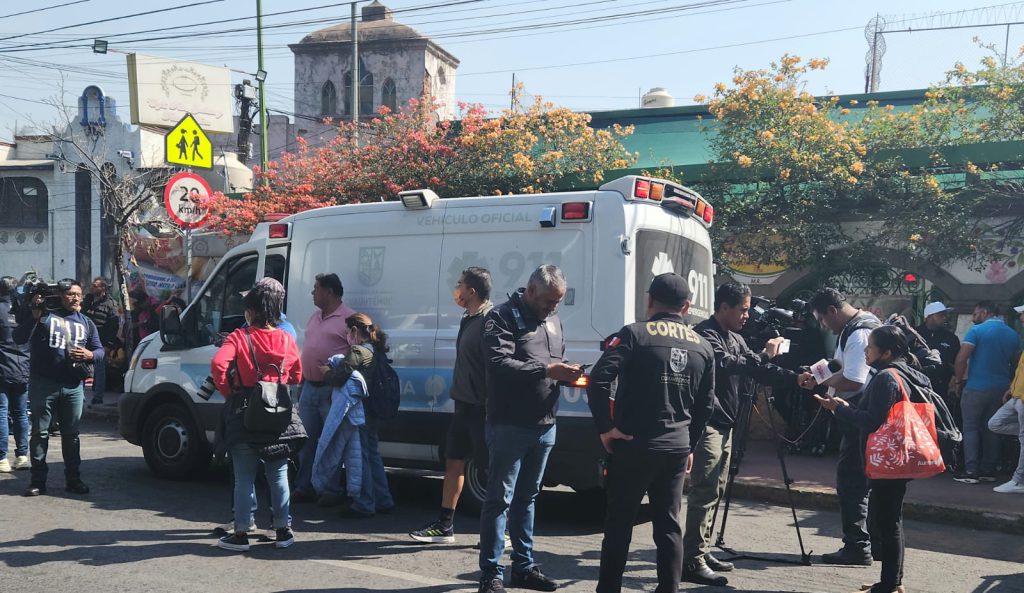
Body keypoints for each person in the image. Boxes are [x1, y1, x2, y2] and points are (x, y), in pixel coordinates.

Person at [586, 273, 715, 593]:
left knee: (619, 524)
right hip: (675, 449)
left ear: (649, 301)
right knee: (669, 526)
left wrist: (606, 428)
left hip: (633, 445)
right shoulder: (703, 346)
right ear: (687, 307)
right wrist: (689, 446)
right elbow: (706, 406)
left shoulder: (634, 334)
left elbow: (598, 379)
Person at [683, 282, 799, 586]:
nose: (747, 315)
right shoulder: (705, 334)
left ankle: (702, 549)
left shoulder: (735, 337)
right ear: (723, 307)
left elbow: (758, 370)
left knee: (716, 489)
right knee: (704, 490)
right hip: (708, 421)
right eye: (742, 309)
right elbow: (726, 364)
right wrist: (763, 354)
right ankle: (691, 561)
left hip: (728, 422)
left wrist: (798, 378)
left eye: (747, 309)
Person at [476, 264, 582, 593]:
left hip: (545, 423)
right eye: (550, 300)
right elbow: (498, 364)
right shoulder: (501, 317)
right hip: (509, 423)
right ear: (531, 290)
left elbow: (553, 363)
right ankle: (490, 574)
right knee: (499, 500)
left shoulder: (552, 320)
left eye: (558, 302)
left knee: (528, 498)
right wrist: (548, 370)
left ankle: (523, 567)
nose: (553, 307)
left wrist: (567, 373)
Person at [814, 326, 930, 593]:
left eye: (871, 347)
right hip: (902, 456)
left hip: (887, 459)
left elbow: (873, 421)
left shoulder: (885, 378)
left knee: (885, 522)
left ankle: (889, 584)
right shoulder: (907, 373)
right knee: (891, 519)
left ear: (886, 352)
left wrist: (840, 409)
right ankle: (892, 581)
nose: (865, 351)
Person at [210, 280, 303, 552]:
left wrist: (229, 391)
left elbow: (218, 365)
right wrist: (280, 383)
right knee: (278, 474)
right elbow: (297, 374)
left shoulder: (240, 337)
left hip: (245, 409)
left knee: (244, 476)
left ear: (250, 311)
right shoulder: (286, 338)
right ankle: (283, 531)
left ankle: (240, 534)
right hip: (279, 412)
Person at [411, 267, 494, 543]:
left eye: (459, 285)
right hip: (463, 405)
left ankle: (499, 530)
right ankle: (445, 526)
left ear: (471, 291)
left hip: (482, 407)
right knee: (453, 461)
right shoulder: (467, 319)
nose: (456, 289)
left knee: (490, 469)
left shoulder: (489, 321)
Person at [798, 287, 879, 566]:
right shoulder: (860, 323)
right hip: (864, 416)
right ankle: (874, 543)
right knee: (865, 482)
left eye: (821, 318)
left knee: (852, 483)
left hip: (858, 416)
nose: (822, 325)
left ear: (832, 310)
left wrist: (822, 382)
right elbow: (840, 365)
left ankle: (858, 547)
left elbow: (855, 381)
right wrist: (819, 373)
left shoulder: (858, 333)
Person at [14, 278, 104, 496]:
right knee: (40, 434)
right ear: (61, 296)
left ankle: (73, 480)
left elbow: (100, 351)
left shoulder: (87, 323)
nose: (74, 298)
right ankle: (38, 482)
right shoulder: (45, 316)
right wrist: (34, 315)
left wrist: (89, 354)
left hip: (73, 386)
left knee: (71, 435)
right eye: (70, 294)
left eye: (78, 294)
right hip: (44, 383)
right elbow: (19, 337)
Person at [293, 272, 357, 505]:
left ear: (329, 292)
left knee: (330, 441)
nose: (312, 293)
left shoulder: (349, 318)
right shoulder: (314, 317)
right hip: (309, 386)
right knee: (305, 440)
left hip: (331, 390)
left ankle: (330, 489)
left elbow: (355, 354)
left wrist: (335, 374)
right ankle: (305, 486)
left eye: (316, 288)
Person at [951, 301, 1020, 484]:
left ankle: (971, 470)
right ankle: (988, 469)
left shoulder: (977, 331)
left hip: (976, 387)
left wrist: (958, 381)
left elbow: (961, 358)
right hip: (1000, 388)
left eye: (975, 314)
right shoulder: (1013, 334)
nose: (974, 318)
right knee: (991, 428)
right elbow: (1015, 363)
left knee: (971, 428)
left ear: (984, 312)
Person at [337, 312, 397, 518]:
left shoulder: (358, 350)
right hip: (376, 409)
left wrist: (325, 370)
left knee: (360, 454)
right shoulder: (375, 350)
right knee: (372, 453)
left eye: (348, 331)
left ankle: (365, 502)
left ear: (355, 331)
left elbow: (341, 375)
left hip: (363, 410)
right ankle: (383, 499)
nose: (346, 334)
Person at [986, 303, 1024, 495]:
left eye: (1023, 314)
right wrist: (1012, 388)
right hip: (1017, 395)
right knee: (995, 423)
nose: (1020, 317)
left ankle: (1019, 481)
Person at [0, 275, 31, 472]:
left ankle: (2, 458)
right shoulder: (26, 311)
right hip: (23, 367)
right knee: (20, 414)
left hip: (2, 367)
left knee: (2, 412)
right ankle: (22, 456)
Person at [81, 277, 120, 407]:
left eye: (95, 285)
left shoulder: (110, 304)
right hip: (84, 339)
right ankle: (79, 397)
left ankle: (98, 397)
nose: (91, 287)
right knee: (80, 367)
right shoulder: (87, 300)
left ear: (102, 288)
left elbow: (113, 325)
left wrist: (108, 345)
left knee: (99, 370)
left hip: (100, 342)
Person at [915, 301, 960, 399]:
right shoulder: (914, 335)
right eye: (941, 315)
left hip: (943, 387)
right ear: (929, 316)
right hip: (918, 385)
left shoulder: (951, 338)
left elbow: (957, 361)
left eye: (945, 315)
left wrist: (955, 380)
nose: (945, 318)